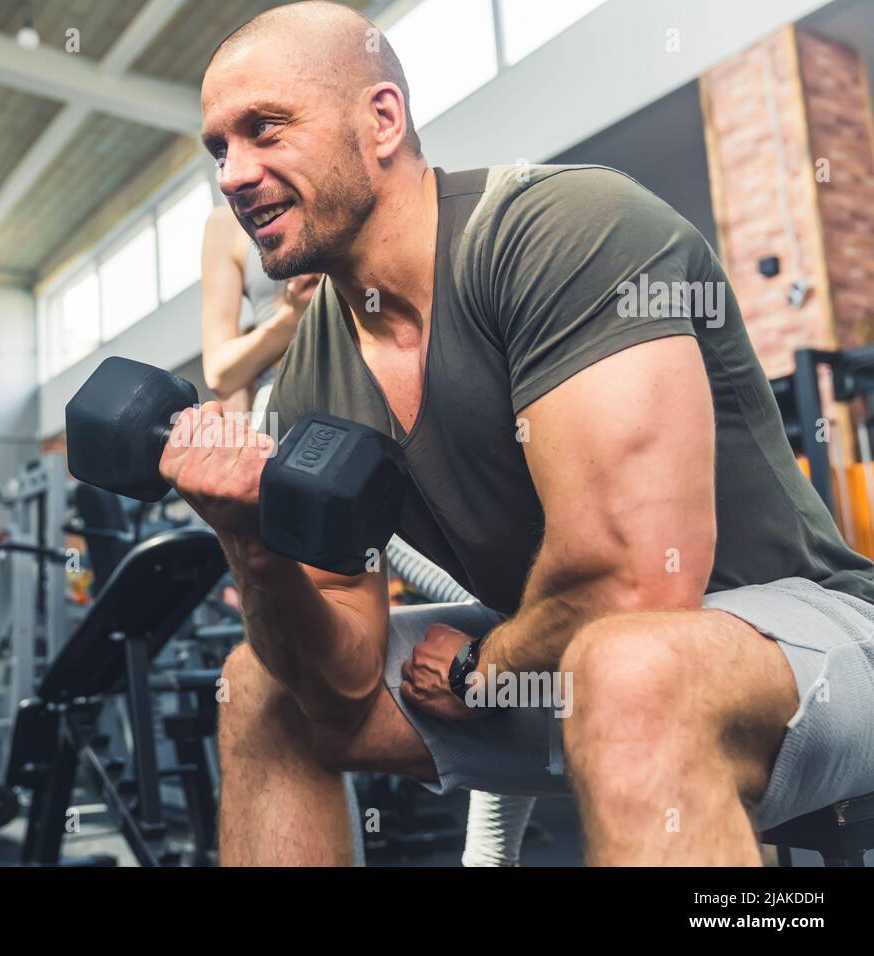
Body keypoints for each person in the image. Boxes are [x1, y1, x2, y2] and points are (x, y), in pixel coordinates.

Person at [157, 0, 874, 865]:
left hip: (813, 646)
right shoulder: (313, 375)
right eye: (219, 149)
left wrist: (484, 667)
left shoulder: (561, 228)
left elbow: (636, 582)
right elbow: (341, 686)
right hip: (565, 662)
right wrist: (252, 545)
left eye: (265, 129)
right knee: (262, 688)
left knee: (632, 666)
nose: (234, 174)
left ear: (381, 120)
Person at [199, 203, 319, 426]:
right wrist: (294, 316)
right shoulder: (224, 223)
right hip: (281, 395)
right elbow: (219, 374)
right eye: (222, 165)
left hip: (367, 370)